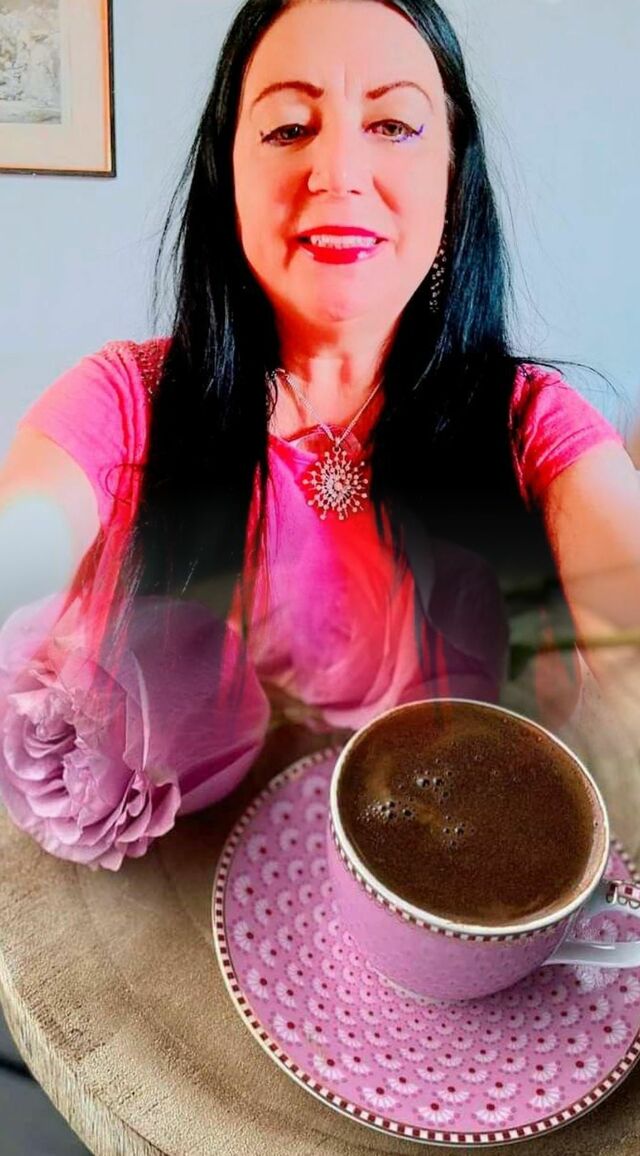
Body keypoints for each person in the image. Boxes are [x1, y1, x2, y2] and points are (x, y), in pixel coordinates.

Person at [1, 0, 639, 869]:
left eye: (393, 125)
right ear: (228, 175)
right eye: (290, 127)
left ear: (453, 177)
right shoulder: (125, 402)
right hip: (186, 888)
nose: (338, 170)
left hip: (448, 884)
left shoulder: (530, 422)